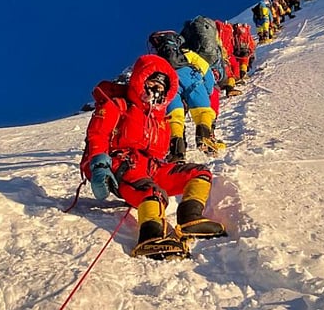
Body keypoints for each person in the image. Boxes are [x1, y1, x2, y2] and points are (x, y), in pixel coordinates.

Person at [82, 54, 227, 260]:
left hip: (152, 167)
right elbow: (98, 133)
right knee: (153, 192)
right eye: (152, 81)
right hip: (122, 165)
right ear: (140, 79)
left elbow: (160, 152)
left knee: (199, 173)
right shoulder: (118, 104)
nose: (157, 88)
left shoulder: (160, 119)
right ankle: (150, 238)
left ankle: (190, 218)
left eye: (162, 84)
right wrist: (99, 164)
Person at [148, 31, 224, 161]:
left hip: (170, 85)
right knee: (203, 112)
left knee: (174, 117)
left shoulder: (158, 60)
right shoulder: (187, 53)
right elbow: (205, 69)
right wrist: (208, 90)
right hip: (193, 81)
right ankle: (204, 136)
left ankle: (177, 151)